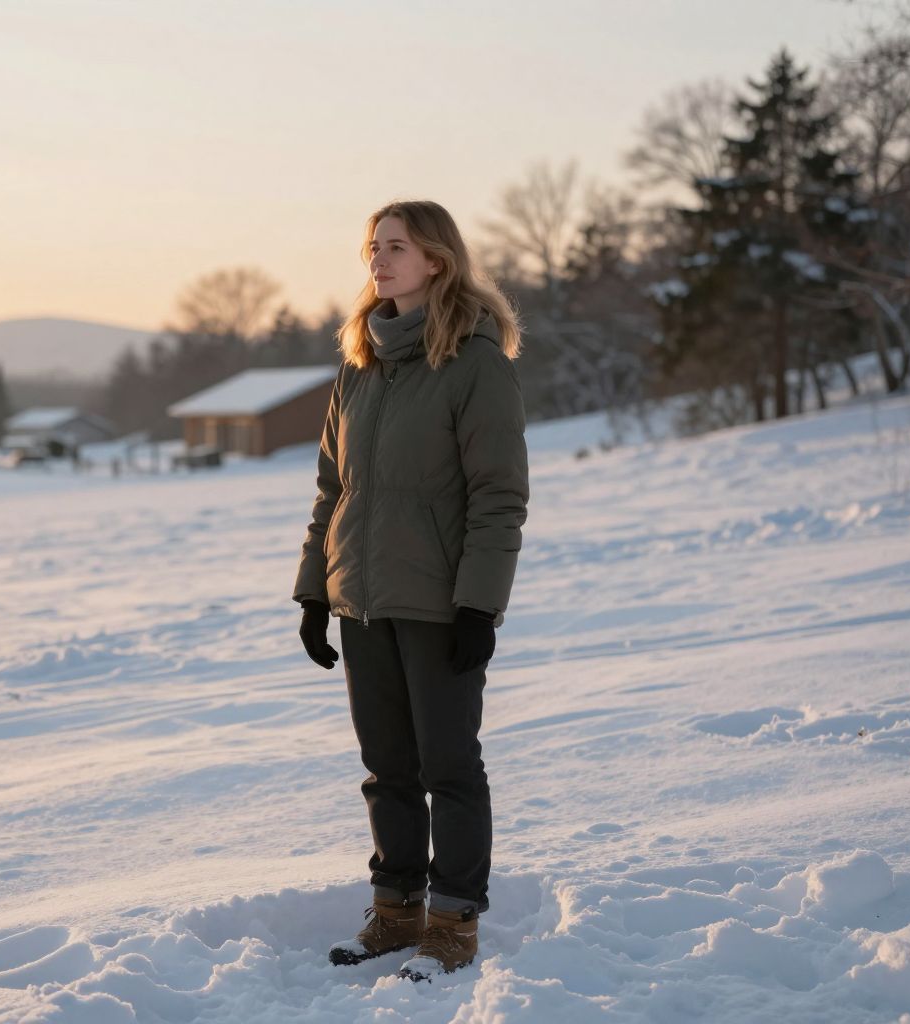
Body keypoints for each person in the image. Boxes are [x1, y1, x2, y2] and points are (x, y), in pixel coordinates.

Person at [293, 199, 529, 981]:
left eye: (395, 247)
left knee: (448, 767)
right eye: (372, 248)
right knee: (386, 767)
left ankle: (452, 926)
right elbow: (333, 490)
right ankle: (394, 915)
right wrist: (313, 593)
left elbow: (498, 495)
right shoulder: (358, 365)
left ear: (436, 259)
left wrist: (478, 605)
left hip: (439, 604)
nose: (378, 261)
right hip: (362, 600)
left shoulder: (474, 363)